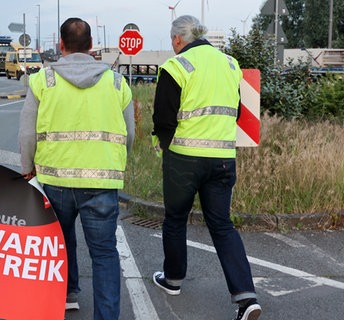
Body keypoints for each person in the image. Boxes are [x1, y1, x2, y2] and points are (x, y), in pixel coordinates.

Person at [18, 17, 134, 320]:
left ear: (61, 45)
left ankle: (67, 293)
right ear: (92, 46)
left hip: (55, 180)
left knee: (59, 240)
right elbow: (129, 135)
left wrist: (27, 168)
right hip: (103, 182)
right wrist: (117, 163)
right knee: (105, 254)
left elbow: (27, 133)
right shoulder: (117, 81)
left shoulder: (43, 80)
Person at [150, 15, 261, 320]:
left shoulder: (176, 66)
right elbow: (236, 110)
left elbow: (163, 119)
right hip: (223, 159)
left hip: (184, 159)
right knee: (223, 225)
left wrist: (165, 147)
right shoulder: (229, 64)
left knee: (175, 219)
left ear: (177, 40)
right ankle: (246, 297)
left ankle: (172, 280)